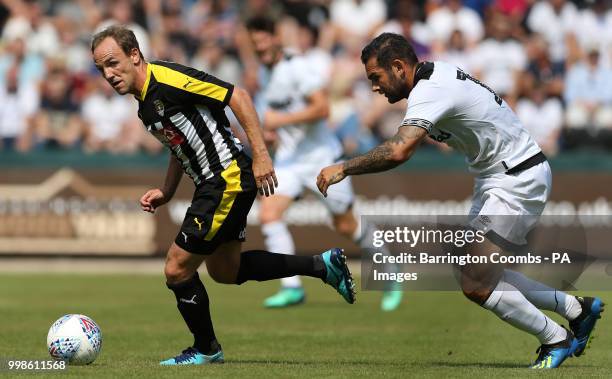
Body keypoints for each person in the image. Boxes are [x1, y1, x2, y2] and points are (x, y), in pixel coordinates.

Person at [316, 33, 604, 369]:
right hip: (499, 177)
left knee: (475, 284)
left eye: (376, 78)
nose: (374, 87)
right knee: (476, 272)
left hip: (516, 179)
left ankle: (556, 338)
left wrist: (344, 167)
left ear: (398, 66)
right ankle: (576, 310)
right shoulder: (433, 76)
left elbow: (398, 150)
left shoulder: (430, 90)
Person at [91, 25, 355, 366]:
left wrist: (261, 155)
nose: (108, 74)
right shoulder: (145, 104)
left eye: (112, 63)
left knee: (176, 268)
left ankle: (205, 349)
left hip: (226, 178)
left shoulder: (169, 79)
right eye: (101, 69)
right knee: (225, 271)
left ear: (134, 55)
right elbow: (179, 143)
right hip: (218, 182)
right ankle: (323, 266)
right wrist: (168, 190)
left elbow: (239, 96)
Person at [246, 17, 402, 310]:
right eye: (255, 43)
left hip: (321, 159)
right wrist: (270, 132)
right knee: (269, 215)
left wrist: (280, 120)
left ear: (277, 38)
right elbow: (279, 117)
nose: (261, 47)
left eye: (265, 40)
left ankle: (390, 275)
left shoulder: (298, 67)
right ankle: (292, 287)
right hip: (290, 161)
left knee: (346, 226)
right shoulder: (266, 74)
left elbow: (322, 108)